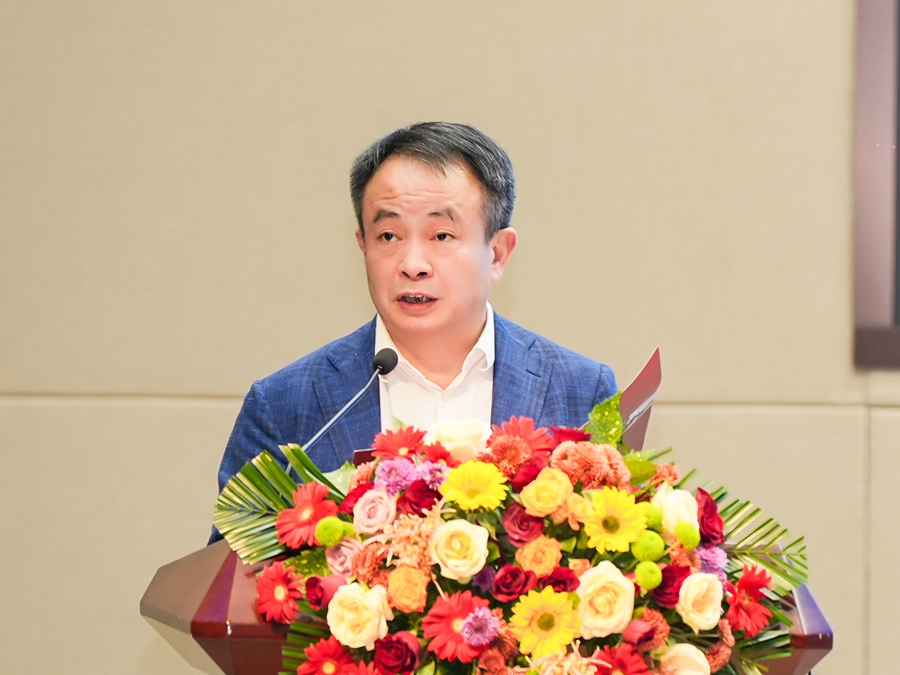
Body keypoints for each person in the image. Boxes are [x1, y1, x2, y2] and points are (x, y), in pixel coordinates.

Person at [210, 122, 615, 540]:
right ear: (363, 244)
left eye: (441, 235)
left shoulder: (582, 390)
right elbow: (227, 573)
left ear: (497, 253)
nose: (412, 264)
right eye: (388, 235)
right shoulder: (284, 406)